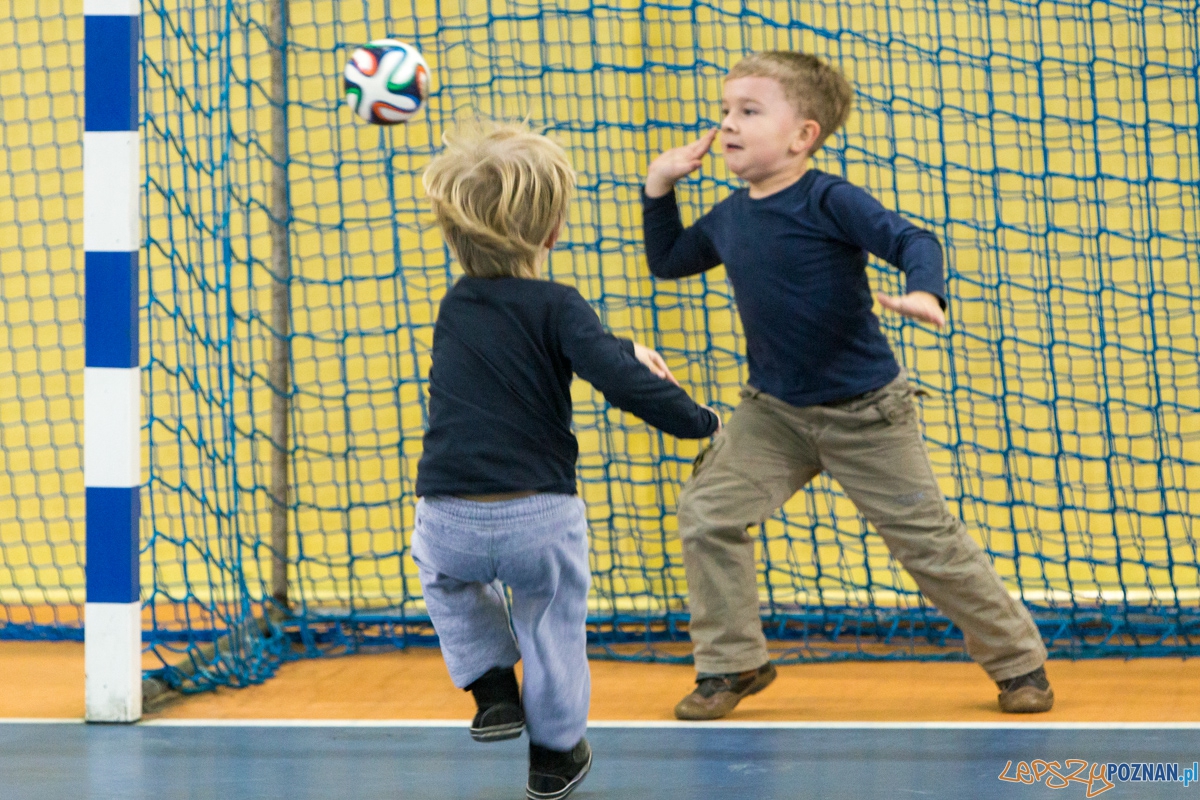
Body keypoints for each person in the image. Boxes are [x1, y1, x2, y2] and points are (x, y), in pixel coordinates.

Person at [640, 51, 1053, 721]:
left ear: (803, 136)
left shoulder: (829, 198)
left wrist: (926, 291)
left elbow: (913, 239)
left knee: (928, 543)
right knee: (708, 512)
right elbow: (668, 262)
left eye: (749, 111)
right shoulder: (728, 216)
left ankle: (1018, 662)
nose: (728, 125)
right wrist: (659, 188)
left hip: (869, 414)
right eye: (725, 111)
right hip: (772, 414)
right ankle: (732, 662)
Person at [413, 119, 721, 800]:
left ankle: (492, 689)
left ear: (454, 232)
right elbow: (621, 381)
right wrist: (700, 422)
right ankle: (554, 755)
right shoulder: (561, 305)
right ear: (551, 232)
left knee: (448, 583)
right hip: (539, 516)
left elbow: (524, 339)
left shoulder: (454, 307)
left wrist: (614, 347)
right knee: (551, 622)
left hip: (448, 515)